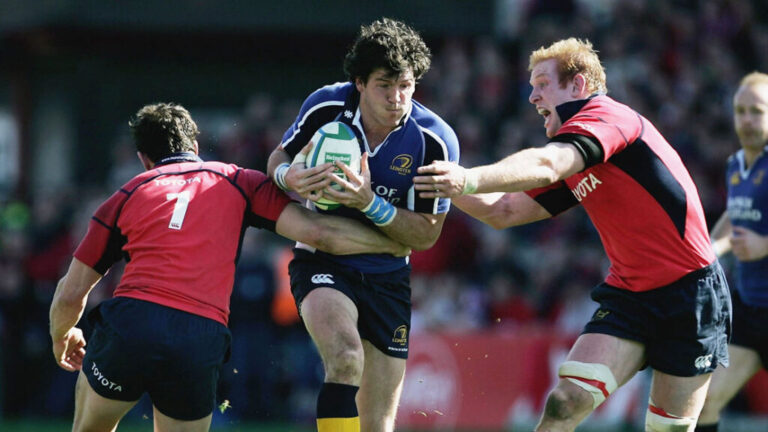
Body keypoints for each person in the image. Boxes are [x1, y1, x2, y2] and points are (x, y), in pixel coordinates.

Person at [414, 38, 731, 432]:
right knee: (565, 402)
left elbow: (547, 164)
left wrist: (468, 177)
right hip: (630, 295)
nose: (531, 96)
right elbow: (505, 210)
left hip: (690, 294)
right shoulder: (580, 154)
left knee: (670, 430)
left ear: (579, 86)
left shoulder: (607, 118)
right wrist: (447, 183)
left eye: (543, 84)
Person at [49, 102, 409, 432]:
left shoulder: (125, 195)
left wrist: (62, 336)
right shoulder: (239, 181)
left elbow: (71, 292)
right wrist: (396, 242)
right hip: (199, 333)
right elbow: (319, 232)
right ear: (195, 146)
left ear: (144, 158)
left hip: (132, 323)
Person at [266, 18, 459, 432]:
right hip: (324, 262)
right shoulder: (326, 106)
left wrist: (368, 202)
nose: (396, 98)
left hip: (389, 277)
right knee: (345, 358)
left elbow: (426, 234)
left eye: (405, 85)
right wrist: (289, 178)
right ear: (359, 82)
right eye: (384, 85)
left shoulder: (435, 140)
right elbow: (277, 160)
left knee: (378, 424)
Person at [695, 72, 768, 432]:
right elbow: (733, 216)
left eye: (757, 111)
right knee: (704, 401)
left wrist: (764, 244)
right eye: (741, 111)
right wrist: (708, 251)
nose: (747, 120)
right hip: (753, 310)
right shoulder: (736, 165)